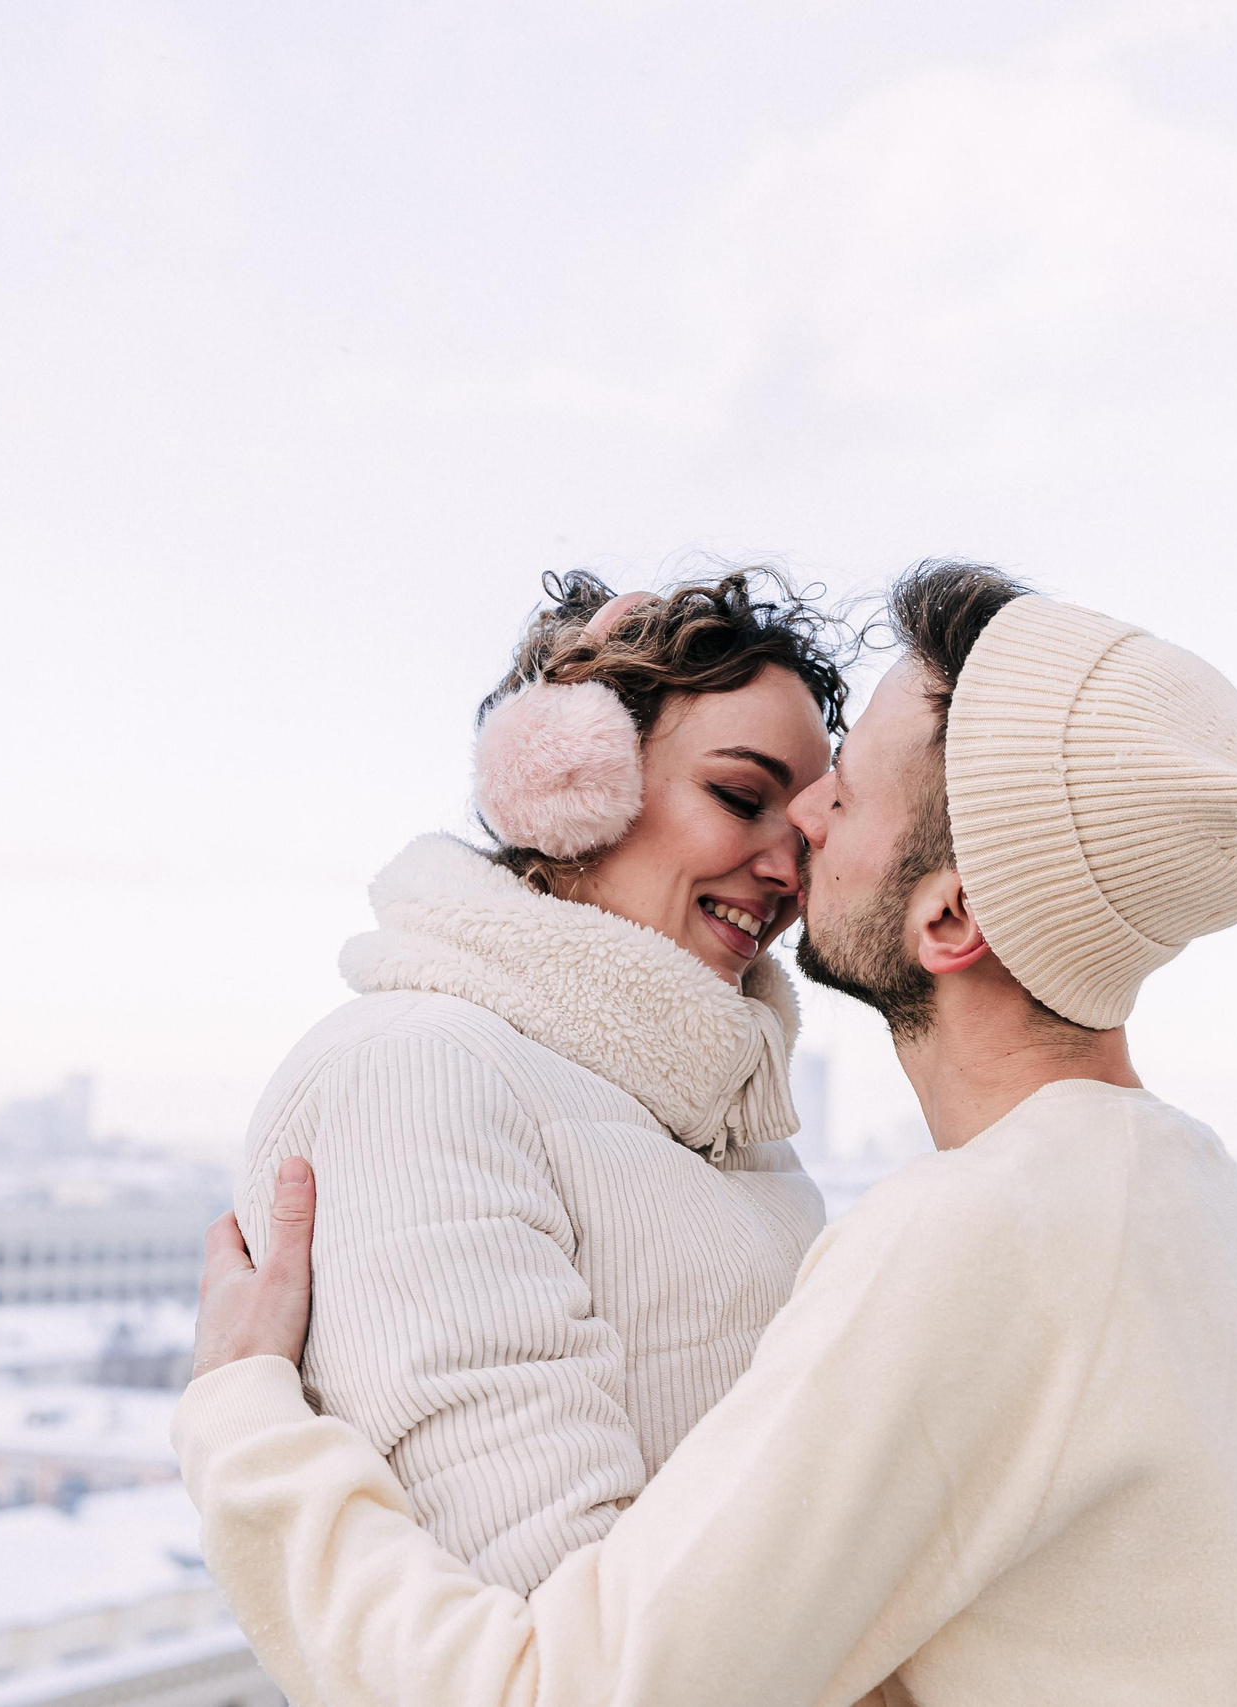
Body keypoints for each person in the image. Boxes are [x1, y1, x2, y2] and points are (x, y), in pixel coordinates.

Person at [181, 562, 1237, 1706]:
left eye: (840, 789)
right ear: (568, 785)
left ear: (951, 913)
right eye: (743, 791)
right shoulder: (1214, 1212)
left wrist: (243, 1426)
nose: (804, 831)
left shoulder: (979, 1234)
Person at [225, 566, 852, 1594]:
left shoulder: (729, 1125)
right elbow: (538, 1609)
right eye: (740, 797)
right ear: (571, 785)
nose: (787, 869)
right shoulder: (414, 1076)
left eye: (810, 828)